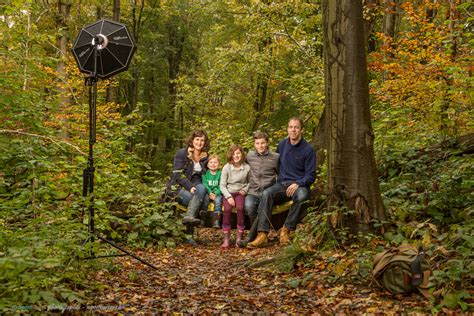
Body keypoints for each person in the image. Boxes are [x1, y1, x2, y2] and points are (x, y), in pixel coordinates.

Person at [247, 117, 316, 248]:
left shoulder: (308, 150)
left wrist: (298, 183)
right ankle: (262, 234)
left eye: (296, 127)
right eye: (290, 127)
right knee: (267, 193)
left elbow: (311, 175)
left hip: (299, 185)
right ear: (287, 129)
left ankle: (286, 230)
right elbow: (275, 164)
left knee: (302, 196)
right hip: (282, 184)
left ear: (302, 130)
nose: (293, 130)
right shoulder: (282, 145)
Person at [165, 130, 210, 244]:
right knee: (196, 201)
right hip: (178, 187)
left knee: (202, 189)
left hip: (196, 186)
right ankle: (189, 234)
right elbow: (177, 173)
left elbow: (206, 176)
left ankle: (189, 219)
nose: (199, 143)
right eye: (197, 139)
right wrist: (189, 186)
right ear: (192, 140)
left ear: (205, 142)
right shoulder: (182, 153)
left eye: (202, 140)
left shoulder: (205, 156)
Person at [238, 132, 279, 248]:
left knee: (262, 208)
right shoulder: (249, 156)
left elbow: (280, 174)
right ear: (254, 144)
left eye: (263, 143)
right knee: (250, 207)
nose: (260, 146)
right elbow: (239, 167)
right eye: (257, 143)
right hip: (253, 191)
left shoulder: (275, 157)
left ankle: (251, 238)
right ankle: (259, 236)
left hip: (268, 192)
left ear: (267, 143)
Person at [219, 144, 250, 248]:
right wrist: (228, 197)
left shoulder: (247, 168)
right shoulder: (227, 167)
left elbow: (251, 182)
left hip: (240, 193)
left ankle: (238, 239)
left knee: (240, 209)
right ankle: (226, 239)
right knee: (227, 210)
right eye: (233, 154)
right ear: (230, 155)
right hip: (228, 192)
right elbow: (222, 186)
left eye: (238, 153)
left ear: (242, 154)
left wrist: (245, 190)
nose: (236, 156)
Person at [202, 154, 223, 228]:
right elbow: (205, 184)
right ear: (207, 164)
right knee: (205, 201)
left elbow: (222, 185)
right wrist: (210, 193)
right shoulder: (205, 173)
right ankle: (202, 220)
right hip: (208, 193)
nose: (213, 164)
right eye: (211, 162)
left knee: (218, 201)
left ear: (219, 164)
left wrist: (216, 193)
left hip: (217, 193)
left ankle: (216, 221)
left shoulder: (221, 173)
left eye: (215, 162)